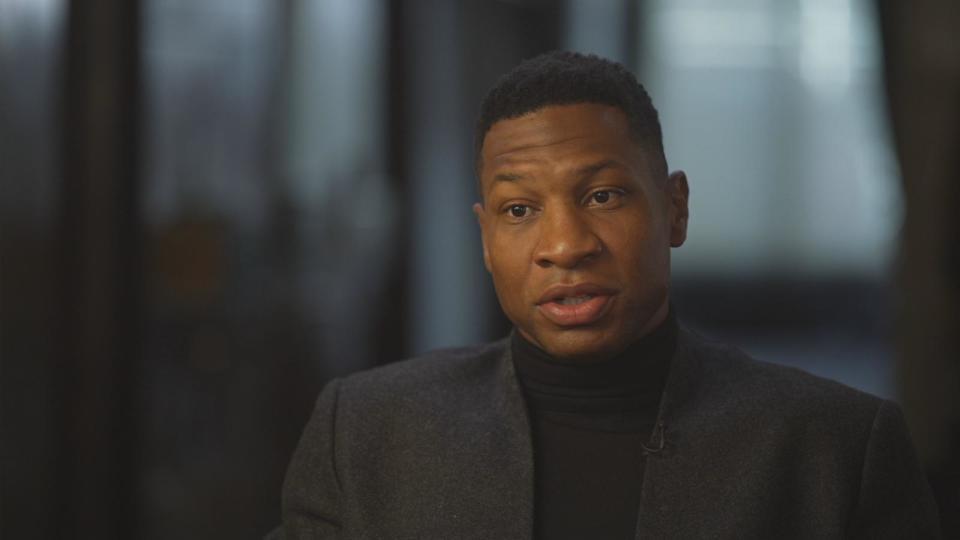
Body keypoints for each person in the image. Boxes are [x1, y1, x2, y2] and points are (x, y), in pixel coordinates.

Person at [268, 51, 940, 539]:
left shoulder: (834, 449)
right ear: (484, 237)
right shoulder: (367, 433)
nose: (565, 245)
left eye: (602, 196)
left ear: (674, 209)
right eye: (519, 210)